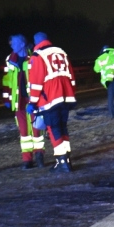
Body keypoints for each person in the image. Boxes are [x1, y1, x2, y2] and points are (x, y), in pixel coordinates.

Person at [27, 32, 76, 173]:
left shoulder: (37, 56)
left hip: (50, 99)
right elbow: (71, 76)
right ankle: (67, 160)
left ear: (36, 42)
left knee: (54, 130)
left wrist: (32, 102)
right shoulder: (61, 52)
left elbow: (36, 83)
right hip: (65, 96)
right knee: (63, 128)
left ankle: (62, 163)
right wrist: (71, 93)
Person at [2, 34, 45, 168]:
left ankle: (39, 156)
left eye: (14, 43)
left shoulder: (34, 57)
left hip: (33, 100)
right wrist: (6, 97)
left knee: (36, 129)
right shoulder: (10, 59)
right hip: (18, 101)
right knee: (24, 132)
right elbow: (7, 79)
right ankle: (27, 160)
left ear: (21, 44)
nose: (11, 45)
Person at [93, 45, 114, 119]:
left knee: (110, 96)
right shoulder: (113, 55)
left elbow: (96, 70)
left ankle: (111, 114)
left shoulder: (99, 59)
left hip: (107, 80)